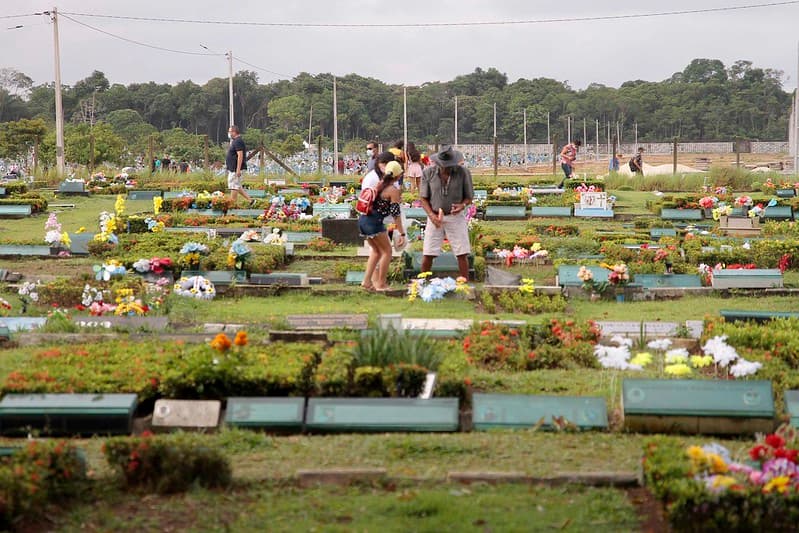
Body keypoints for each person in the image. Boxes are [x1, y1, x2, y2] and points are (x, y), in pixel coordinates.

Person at [419, 146, 474, 280]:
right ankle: (421, 283)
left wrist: (462, 205)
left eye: (449, 166)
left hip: (455, 216)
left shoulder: (463, 173)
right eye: (444, 166)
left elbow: (469, 197)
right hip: (435, 216)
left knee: (461, 252)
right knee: (428, 252)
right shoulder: (428, 173)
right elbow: (423, 198)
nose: (446, 168)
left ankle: (464, 282)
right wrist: (431, 216)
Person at [358, 159, 406, 291]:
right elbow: (396, 214)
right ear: (398, 176)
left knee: (376, 251)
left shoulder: (378, 185)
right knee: (387, 252)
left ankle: (366, 281)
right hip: (375, 223)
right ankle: (381, 283)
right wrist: (401, 233)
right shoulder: (392, 190)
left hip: (364, 220)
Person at [226, 125, 254, 207]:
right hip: (233, 168)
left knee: (234, 186)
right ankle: (251, 200)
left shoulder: (238, 141)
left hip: (236, 169)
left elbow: (240, 155)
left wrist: (238, 169)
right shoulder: (235, 141)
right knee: (236, 185)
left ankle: (232, 205)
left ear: (234, 132)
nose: (229, 133)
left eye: (230, 131)